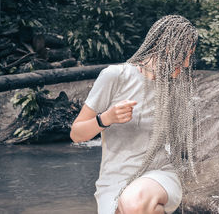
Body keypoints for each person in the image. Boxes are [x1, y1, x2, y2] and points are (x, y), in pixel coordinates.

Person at [70, 15, 200, 214]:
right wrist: (106, 118)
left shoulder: (175, 88)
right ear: (163, 46)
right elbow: (76, 135)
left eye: (190, 56)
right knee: (150, 210)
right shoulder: (116, 76)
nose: (185, 64)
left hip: (158, 175)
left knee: (134, 202)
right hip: (114, 181)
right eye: (184, 55)